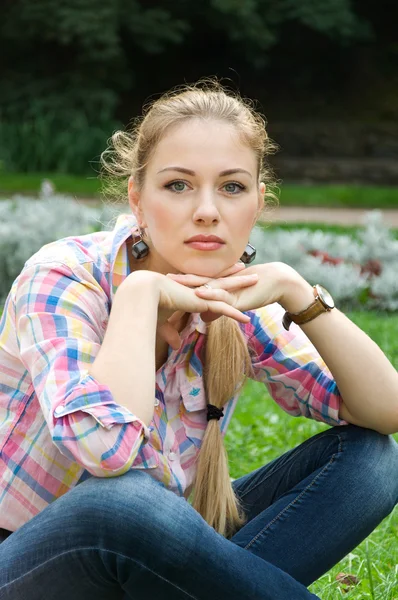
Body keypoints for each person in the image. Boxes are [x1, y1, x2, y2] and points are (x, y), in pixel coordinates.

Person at [0, 80, 397, 600]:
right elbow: (109, 454)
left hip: (156, 551)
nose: (207, 210)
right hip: (31, 561)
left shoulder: (235, 300)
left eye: (232, 187)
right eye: (178, 185)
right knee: (125, 503)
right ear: (137, 199)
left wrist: (301, 294)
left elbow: (385, 410)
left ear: (258, 203)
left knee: (372, 461)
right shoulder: (64, 278)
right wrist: (140, 295)